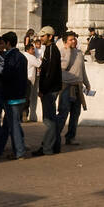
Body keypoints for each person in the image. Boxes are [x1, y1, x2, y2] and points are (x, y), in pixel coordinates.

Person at [0, 32, 30, 160]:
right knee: (9, 123)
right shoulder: (22, 57)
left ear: (8, 43)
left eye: (3, 43)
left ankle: (19, 151)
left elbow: (8, 76)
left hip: (11, 95)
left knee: (14, 125)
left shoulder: (10, 57)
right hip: (20, 94)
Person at [54, 30, 90, 150]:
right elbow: (64, 66)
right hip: (66, 86)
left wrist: (87, 83)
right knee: (63, 113)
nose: (73, 41)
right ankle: (54, 136)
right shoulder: (61, 53)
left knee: (75, 114)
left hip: (77, 86)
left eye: (74, 39)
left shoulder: (79, 53)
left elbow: (82, 69)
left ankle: (70, 137)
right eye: (70, 39)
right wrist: (68, 50)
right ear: (65, 42)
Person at [35, 27, 63, 155]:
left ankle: (47, 148)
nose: (41, 39)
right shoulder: (49, 49)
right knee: (51, 120)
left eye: (43, 36)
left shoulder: (52, 50)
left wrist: (42, 90)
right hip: (51, 89)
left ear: (50, 37)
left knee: (49, 121)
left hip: (49, 90)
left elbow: (49, 74)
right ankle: (54, 146)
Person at [22, 31, 42, 123]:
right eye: (32, 49)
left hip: (21, 78)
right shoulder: (30, 57)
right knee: (26, 99)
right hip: (28, 80)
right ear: (28, 50)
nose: (34, 51)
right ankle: (24, 115)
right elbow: (39, 64)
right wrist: (40, 59)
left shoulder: (23, 55)